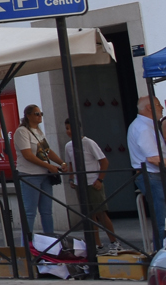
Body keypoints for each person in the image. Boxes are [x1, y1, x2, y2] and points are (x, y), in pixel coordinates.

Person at [64, 118, 121, 252]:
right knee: (89, 216)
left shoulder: (89, 143)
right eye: (66, 128)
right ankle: (96, 244)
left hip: (93, 182)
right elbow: (71, 163)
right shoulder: (68, 146)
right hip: (79, 184)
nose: (69, 131)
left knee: (101, 213)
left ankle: (114, 242)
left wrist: (100, 179)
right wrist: (71, 179)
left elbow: (104, 161)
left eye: (71, 128)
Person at [14, 104, 66, 236]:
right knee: (30, 212)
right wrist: (49, 166)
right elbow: (27, 155)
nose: (40, 116)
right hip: (30, 175)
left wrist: (61, 163)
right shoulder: (22, 132)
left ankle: (50, 240)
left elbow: (46, 151)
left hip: (45, 175)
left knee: (47, 211)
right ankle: (27, 243)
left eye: (41, 114)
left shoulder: (38, 131)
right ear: (28, 116)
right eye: (37, 114)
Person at [129, 96, 165, 251]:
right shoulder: (143, 128)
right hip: (151, 175)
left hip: (153, 175)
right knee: (161, 219)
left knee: (162, 218)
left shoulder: (147, 126)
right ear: (150, 108)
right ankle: (160, 252)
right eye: (159, 105)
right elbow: (153, 158)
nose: (162, 108)